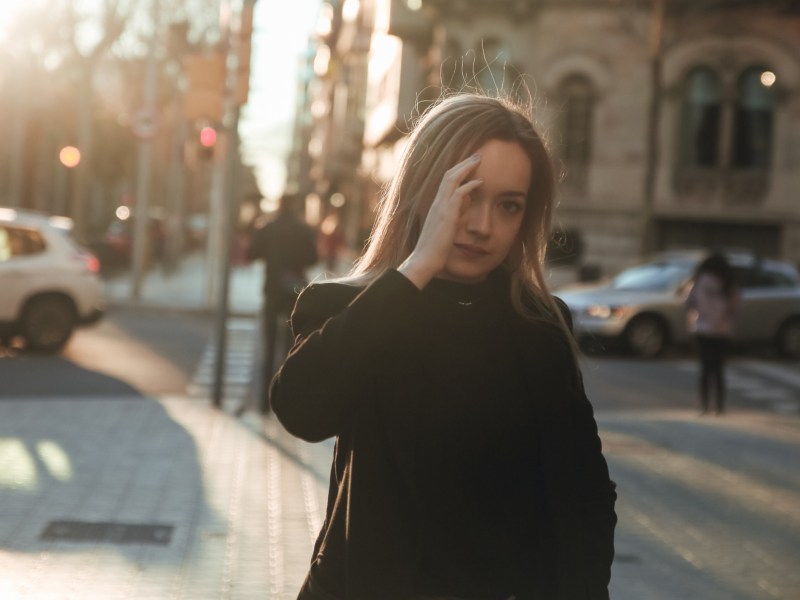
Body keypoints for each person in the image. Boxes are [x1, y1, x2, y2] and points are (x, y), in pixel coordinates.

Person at [270, 93, 617, 600]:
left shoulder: (539, 324)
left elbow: (585, 491)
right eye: (466, 195)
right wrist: (414, 271)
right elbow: (301, 409)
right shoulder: (346, 306)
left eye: (508, 206)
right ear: (423, 192)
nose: (482, 226)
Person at [248, 193, 318, 412]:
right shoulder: (304, 230)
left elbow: (252, 253)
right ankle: (286, 401)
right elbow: (313, 258)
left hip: (273, 290)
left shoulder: (268, 228)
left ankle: (264, 403)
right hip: (294, 291)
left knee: (268, 345)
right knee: (291, 345)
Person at [685, 252, 741, 415]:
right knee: (719, 368)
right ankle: (719, 405)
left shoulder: (700, 280)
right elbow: (735, 305)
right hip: (722, 330)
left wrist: (700, 312)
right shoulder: (729, 282)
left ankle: (704, 405)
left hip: (702, 328)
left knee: (705, 368)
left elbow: (689, 301)